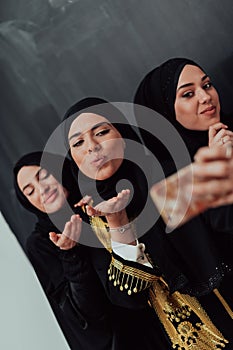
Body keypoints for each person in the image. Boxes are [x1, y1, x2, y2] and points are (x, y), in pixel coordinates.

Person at [62, 97, 233, 349]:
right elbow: (128, 300)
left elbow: (225, 229)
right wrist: (117, 221)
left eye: (101, 132)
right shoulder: (93, 221)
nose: (92, 147)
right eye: (78, 143)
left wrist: (219, 172)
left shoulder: (169, 175)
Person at [134, 57, 233, 323]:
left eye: (208, 85)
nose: (206, 96)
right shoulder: (167, 184)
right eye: (188, 94)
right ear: (164, 111)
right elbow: (223, 229)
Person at [13, 151, 113, 350]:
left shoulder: (102, 194)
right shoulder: (41, 243)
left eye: (43, 176)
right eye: (30, 191)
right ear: (28, 203)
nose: (42, 189)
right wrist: (70, 254)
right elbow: (86, 315)